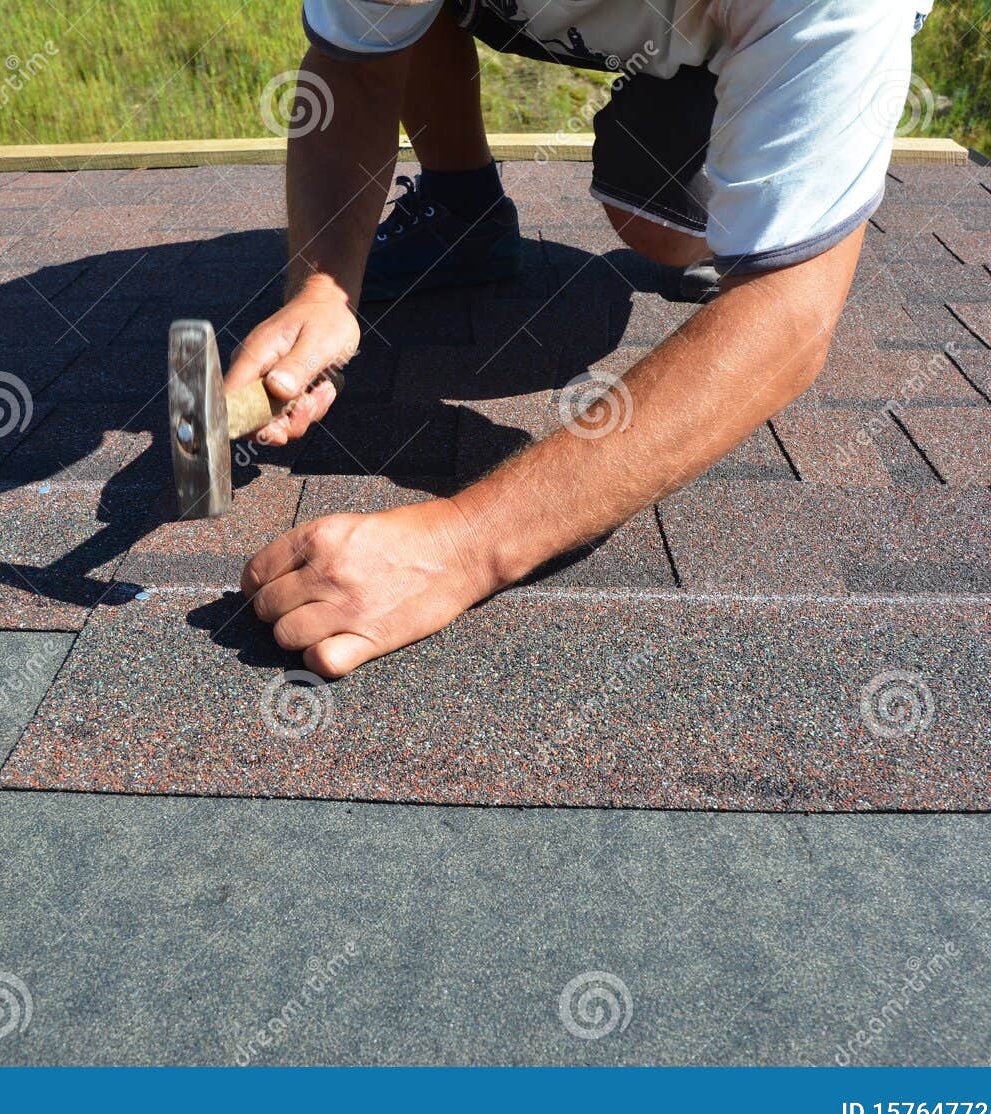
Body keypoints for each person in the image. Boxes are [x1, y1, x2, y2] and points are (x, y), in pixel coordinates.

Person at [229, 0, 931, 677]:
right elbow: (355, 70)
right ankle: (463, 213)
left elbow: (788, 318)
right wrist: (323, 290)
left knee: (657, 223)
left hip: (720, 33)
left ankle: (748, 204)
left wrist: (462, 544)